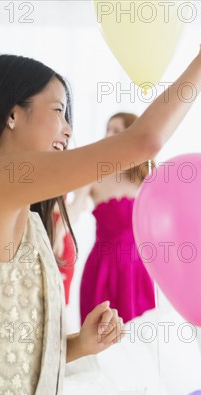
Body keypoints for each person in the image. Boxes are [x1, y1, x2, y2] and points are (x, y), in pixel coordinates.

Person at [0, 30, 201, 395]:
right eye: (58, 110)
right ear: (11, 114)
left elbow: (6, 345)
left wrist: (79, 344)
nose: (68, 129)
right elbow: (144, 141)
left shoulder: (10, 203)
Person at [78, 112, 155, 324]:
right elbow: (73, 211)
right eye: (107, 130)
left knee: (139, 334)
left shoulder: (144, 179)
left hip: (136, 269)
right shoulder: (93, 176)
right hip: (102, 268)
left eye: (116, 131)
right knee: (100, 332)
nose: (109, 135)